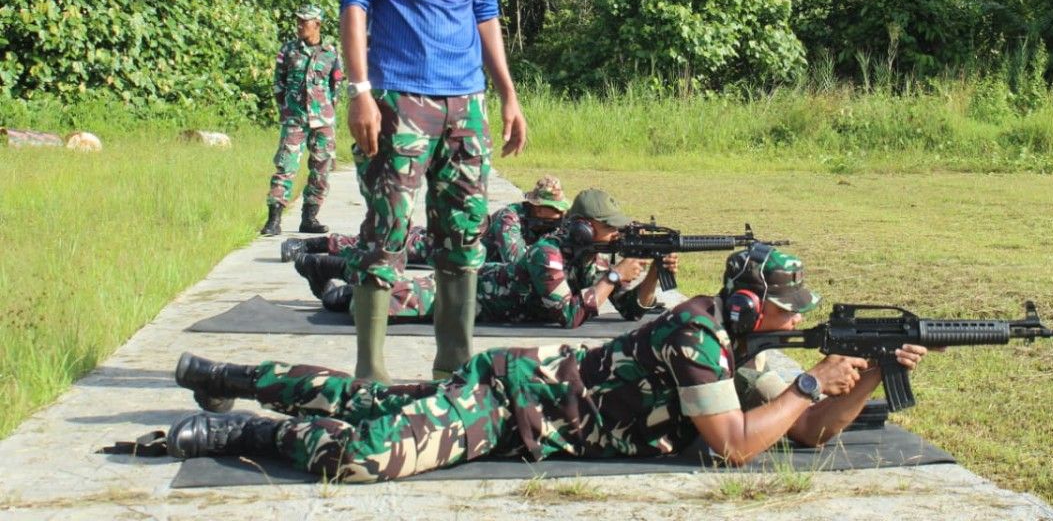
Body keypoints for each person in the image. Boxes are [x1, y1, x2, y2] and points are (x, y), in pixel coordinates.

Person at [167, 246, 933, 482]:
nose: (797, 317)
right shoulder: (699, 334)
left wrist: (859, 375)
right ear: (743, 304)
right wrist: (806, 382)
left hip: (525, 401)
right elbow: (736, 445)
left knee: (367, 401)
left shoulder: (744, 347)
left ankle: (228, 376)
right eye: (785, 305)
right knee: (367, 454)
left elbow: (802, 432)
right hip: (516, 403)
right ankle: (246, 430)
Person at [338, 0, 527, 382]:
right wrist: (360, 91)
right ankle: (370, 374)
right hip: (400, 95)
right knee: (389, 228)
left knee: (464, 234)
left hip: (464, 100)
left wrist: (508, 94)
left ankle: (454, 370)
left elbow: (485, 9)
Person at [310, 188, 671, 329]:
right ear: (582, 228)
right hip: (460, 296)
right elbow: (569, 315)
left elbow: (630, 309)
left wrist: (651, 274)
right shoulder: (548, 253)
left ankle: (336, 276)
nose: (616, 235)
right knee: (363, 308)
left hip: (487, 300)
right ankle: (328, 276)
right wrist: (612, 278)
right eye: (608, 228)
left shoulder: (589, 256)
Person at [279, 174, 569, 265]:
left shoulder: (547, 222)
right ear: (535, 206)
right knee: (380, 247)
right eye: (551, 208)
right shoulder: (511, 217)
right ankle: (307, 245)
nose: (557, 214)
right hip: (442, 245)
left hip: (460, 253)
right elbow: (515, 258)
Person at [261, 5, 343, 236]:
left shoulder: (330, 52)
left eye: (304, 22)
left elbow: (335, 87)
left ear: (317, 24)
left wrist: (326, 112)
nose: (299, 26)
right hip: (295, 118)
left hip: (323, 120)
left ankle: (310, 217)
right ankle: (273, 219)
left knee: (321, 169)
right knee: (286, 166)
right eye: (297, 21)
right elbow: (279, 84)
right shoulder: (288, 50)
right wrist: (287, 109)